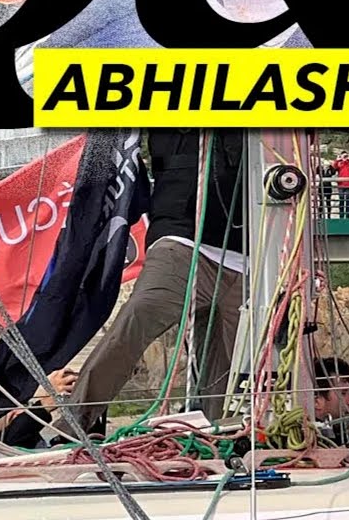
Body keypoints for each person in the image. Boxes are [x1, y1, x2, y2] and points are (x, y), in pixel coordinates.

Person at [55, 129, 246, 435]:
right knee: (139, 316)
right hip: (182, 240)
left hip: (251, 255)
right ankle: (75, 422)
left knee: (231, 362)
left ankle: (217, 436)